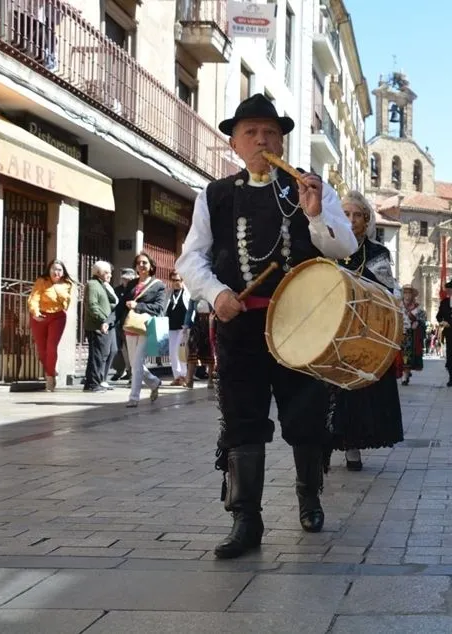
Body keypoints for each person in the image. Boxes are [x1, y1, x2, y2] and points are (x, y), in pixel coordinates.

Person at [175, 94, 357, 559]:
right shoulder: (215, 195)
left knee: (306, 414)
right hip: (240, 325)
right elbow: (191, 258)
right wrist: (216, 294)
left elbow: (343, 248)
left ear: (283, 140)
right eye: (251, 133)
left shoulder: (310, 188)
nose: (262, 140)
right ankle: (246, 520)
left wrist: (315, 213)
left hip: (302, 324)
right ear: (235, 144)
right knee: (242, 418)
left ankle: (308, 495)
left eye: (271, 132)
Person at [326, 192, 404, 471]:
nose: (351, 219)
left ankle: (352, 445)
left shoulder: (377, 253)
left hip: (362, 331)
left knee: (354, 390)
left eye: (356, 215)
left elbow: (387, 291)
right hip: (329, 328)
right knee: (323, 388)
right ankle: (321, 444)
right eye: (345, 214)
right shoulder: (327, 247)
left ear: (366, 220)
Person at [122, 252, 166, 408]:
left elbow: (159, 307)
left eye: (145, 263)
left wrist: (138, 306)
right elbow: (122, 305)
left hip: (147, 326)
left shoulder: (158, 285)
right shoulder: (132, 284)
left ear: (151, 266)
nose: (141, 265)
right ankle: (154, 382)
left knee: (138, 361)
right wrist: (108, 322)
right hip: (131, 325)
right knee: (135, 364)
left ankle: (134, 397)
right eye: (139, 263)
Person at [27, 258, 75, 391]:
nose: (56, 272)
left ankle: (49, 377)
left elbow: (67, 300)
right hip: (40, 316)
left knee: (51, 347)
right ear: (49, 270)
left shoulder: (67, 284)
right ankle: (52, 371)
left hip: (58, 317)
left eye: (59, 270)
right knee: (42, 350)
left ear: (63, 272)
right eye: (54, 269)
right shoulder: (42, 281)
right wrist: (35, 312)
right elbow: (34, 298)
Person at [83, 260, 118, 392]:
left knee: (106, 353)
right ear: (98, 273)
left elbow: (105, 304)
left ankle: (95, 381)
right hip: (97, 326)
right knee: (97, 356)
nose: (110, 275)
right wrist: (103, 320)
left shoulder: (102, 285)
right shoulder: (93, 285)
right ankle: (93, 383)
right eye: (107, 272)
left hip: (105, 325)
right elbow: (92, 306)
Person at [111, 268, 137, 382]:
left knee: (133, 350)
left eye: (128, 279)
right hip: (120, 324)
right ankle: (124, 370)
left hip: (133, 323)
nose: (126, 281)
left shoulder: (136, 290)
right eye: (124, 279)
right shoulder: (117, 290)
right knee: (122, 350)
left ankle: (133, 373)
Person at [184, 298, 216, 389]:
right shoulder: (194, 296)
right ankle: (189, 380)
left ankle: (210, 379)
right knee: (192, 350)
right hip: (197, 324)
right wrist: (185, 325)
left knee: (210, 351)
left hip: (210, 323)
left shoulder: (211, 292)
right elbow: (189, 311)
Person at [166, 271, 191, 386]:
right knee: (172, 353)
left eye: (178, 280)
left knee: (180, 351)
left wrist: (189, 324)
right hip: (170, 327)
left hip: (183, 327)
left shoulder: (187, 294)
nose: (175, 283)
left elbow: (190, 310)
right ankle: (177, 377)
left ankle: (184, 376)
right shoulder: (168, 294)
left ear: (182, 281)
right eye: (173, 280)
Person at [401, 284, 426, 385]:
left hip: (411, 335)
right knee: (400, 354)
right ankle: (405, 372)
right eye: (405, 292)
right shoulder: (398, 305)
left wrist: (418, 323)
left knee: (407, 355)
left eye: (409, 293)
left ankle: (405, 374)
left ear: (412, 295)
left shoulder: (417, 308)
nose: (407, 295)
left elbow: (423, 318)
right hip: (399, 333)